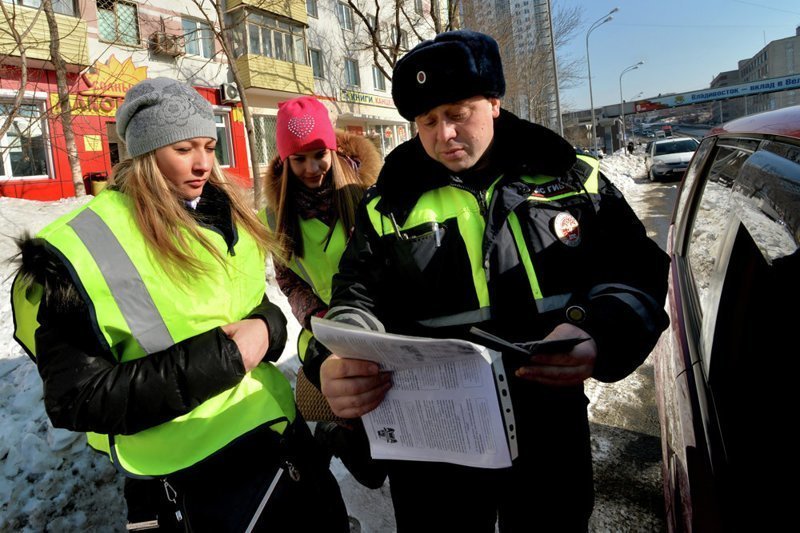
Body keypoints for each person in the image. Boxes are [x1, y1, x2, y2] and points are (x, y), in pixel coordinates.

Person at [302, 30, 670, 532]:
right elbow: (355, 297)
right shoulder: (388, 204)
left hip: (549, 434)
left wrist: (599, 332)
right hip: (434, 449)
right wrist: (335, 360)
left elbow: (637, 268)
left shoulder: (571, 178)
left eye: (457, 113)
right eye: (427, 121)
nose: (443, 134)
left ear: (494, 102)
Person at [10, 78, 348, 532]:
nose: (204, 164)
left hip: (276, 432)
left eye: (209, 146)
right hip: (192, 470)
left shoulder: (226, 212)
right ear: (145, 153)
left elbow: (252, 306)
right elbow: (78, 399)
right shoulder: (79, 249)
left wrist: (269, 328)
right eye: (184, 148)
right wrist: (228, 356)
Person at [262, 95, 386, 489]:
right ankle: (336, 433)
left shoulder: (366, 195)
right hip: (321, 331)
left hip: (378, 324)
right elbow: (288, 280)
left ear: (332, 149)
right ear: (284, 162)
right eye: (299, 160)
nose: (312, 168)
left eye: (319, 155)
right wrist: (321, 321)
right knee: (369, 472)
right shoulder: (276, 216)